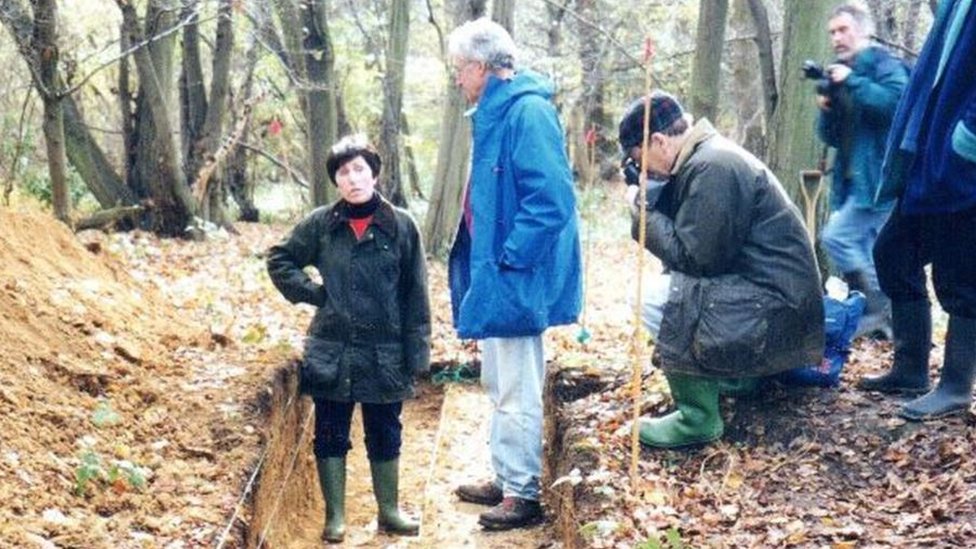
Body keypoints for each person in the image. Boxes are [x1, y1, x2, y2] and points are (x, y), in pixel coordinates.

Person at [618, 91, 824, 449]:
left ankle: (697, 418)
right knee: (673, 291)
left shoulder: (713, 167)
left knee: (651, 297)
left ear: (659, 141)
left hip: (777, 310)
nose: (643, 171)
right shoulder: (708, 159)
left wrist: (643, 210)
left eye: (640, 160)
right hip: (776, 302)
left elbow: (697, 260)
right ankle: (735, 378)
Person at [446, 17, 582, 531]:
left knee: (518, 386)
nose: (457, 77)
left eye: (460, 68)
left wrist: (511, 258)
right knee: (497, 379)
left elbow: (552, 200)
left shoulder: (527, 112)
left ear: (482, 67)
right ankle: (507, 476)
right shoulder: (495, 112)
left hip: (514, 273)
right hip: (498, 270)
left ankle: (522, 492)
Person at [266, 135, 430, 543]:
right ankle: (335, 516)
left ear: (374, 174)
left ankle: (389, 512)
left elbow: (416, 293)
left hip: (385, 351)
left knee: (385, 431)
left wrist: (417, 354)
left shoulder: (401, 225)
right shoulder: (322, 224)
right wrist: (315, 294)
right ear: (335, 180)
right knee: (330, 431)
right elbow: (280, 258)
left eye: (360, 169)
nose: (353, 179)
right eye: (344, 172)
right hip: (332, 348)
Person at [857, 0, 976, 421]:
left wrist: (966, 141)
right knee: (893, 252)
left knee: (960, 274)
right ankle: (910, 369)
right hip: (930, 154)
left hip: (962, 162)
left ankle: (956, 386)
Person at [815, 3, 909, 339]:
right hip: (852, 182)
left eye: (843, 30)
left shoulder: (883, 64)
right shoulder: (842, 74)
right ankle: (889, 324)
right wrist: (827, 109)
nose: (837, 38)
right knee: (874, 253)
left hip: (882, 179)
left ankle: (880, 310)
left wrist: (852, 81)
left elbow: (896, 104)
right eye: (832, 32)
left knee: (836, 237)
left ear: (863, 30)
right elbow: (829, 137)